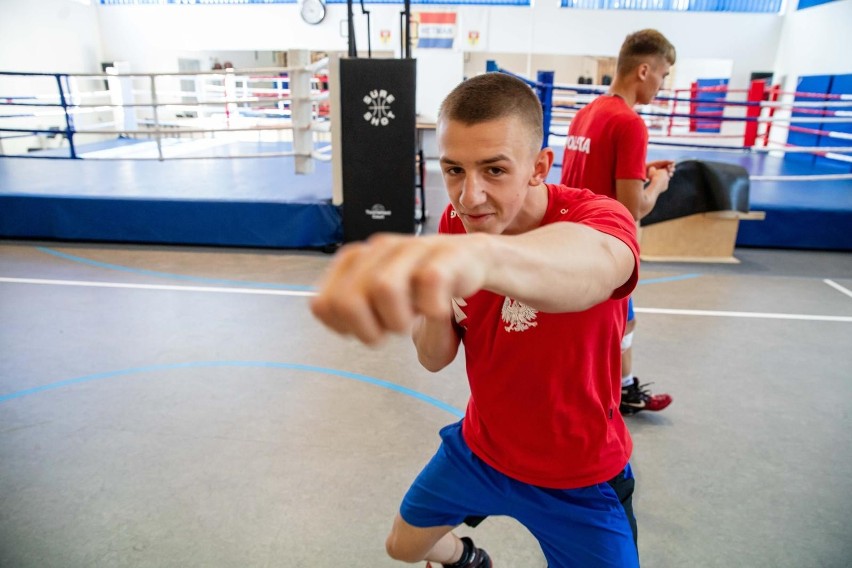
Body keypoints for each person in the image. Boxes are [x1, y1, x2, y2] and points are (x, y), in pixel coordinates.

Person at [311, 72, 641, 567]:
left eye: (494, 170)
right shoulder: (453, 226)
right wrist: (435, 300)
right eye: (454, 170)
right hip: (482, 452)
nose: (469, 197)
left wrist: (480, 257)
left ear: (539, 167)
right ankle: (466, 559)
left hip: (579, 476)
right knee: (402, 546)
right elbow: (433, 357)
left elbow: (591, 267)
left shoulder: (597, 218)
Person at [560, 28, 676, 415]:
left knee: (616, 325)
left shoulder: (586, 114)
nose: (663, 84)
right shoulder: (630, 123)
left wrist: (639, 168)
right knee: (615, 328)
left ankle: (622, 388)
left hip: (573, 239)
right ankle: (611, 398)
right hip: (607, 248)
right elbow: (634, 207)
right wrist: (657, 183)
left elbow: (593, 172)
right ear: (644, 70)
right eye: (663, 74)